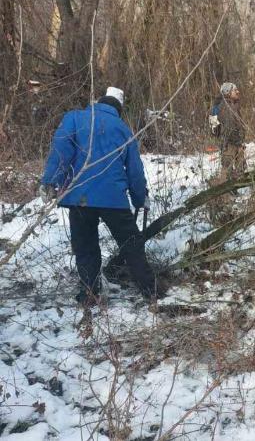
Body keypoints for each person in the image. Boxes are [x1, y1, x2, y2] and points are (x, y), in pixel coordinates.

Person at [40, 87, 164, 306]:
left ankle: (89, 293)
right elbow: (134, 170)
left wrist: (51, 181)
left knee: (85, 248)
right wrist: (139, 198)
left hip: (79, 198)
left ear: (98, 102)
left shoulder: (74, 119)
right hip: (113, 199)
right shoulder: (123, 128)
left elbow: (61, 150)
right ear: (118, 109)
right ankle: (151, 291)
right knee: (132, 244)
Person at [213, 82, 246, 181]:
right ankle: (224, 194)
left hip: (238, 143)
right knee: (227, 171)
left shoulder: (235, 105)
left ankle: (236, 192)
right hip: (229, 144)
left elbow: (239, 124)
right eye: (235, 90)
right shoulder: (220, 107)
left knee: (240, 170)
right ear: (227, 92)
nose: (238, 92)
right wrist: (223, 138)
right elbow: (214, 128)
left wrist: (241, 140)